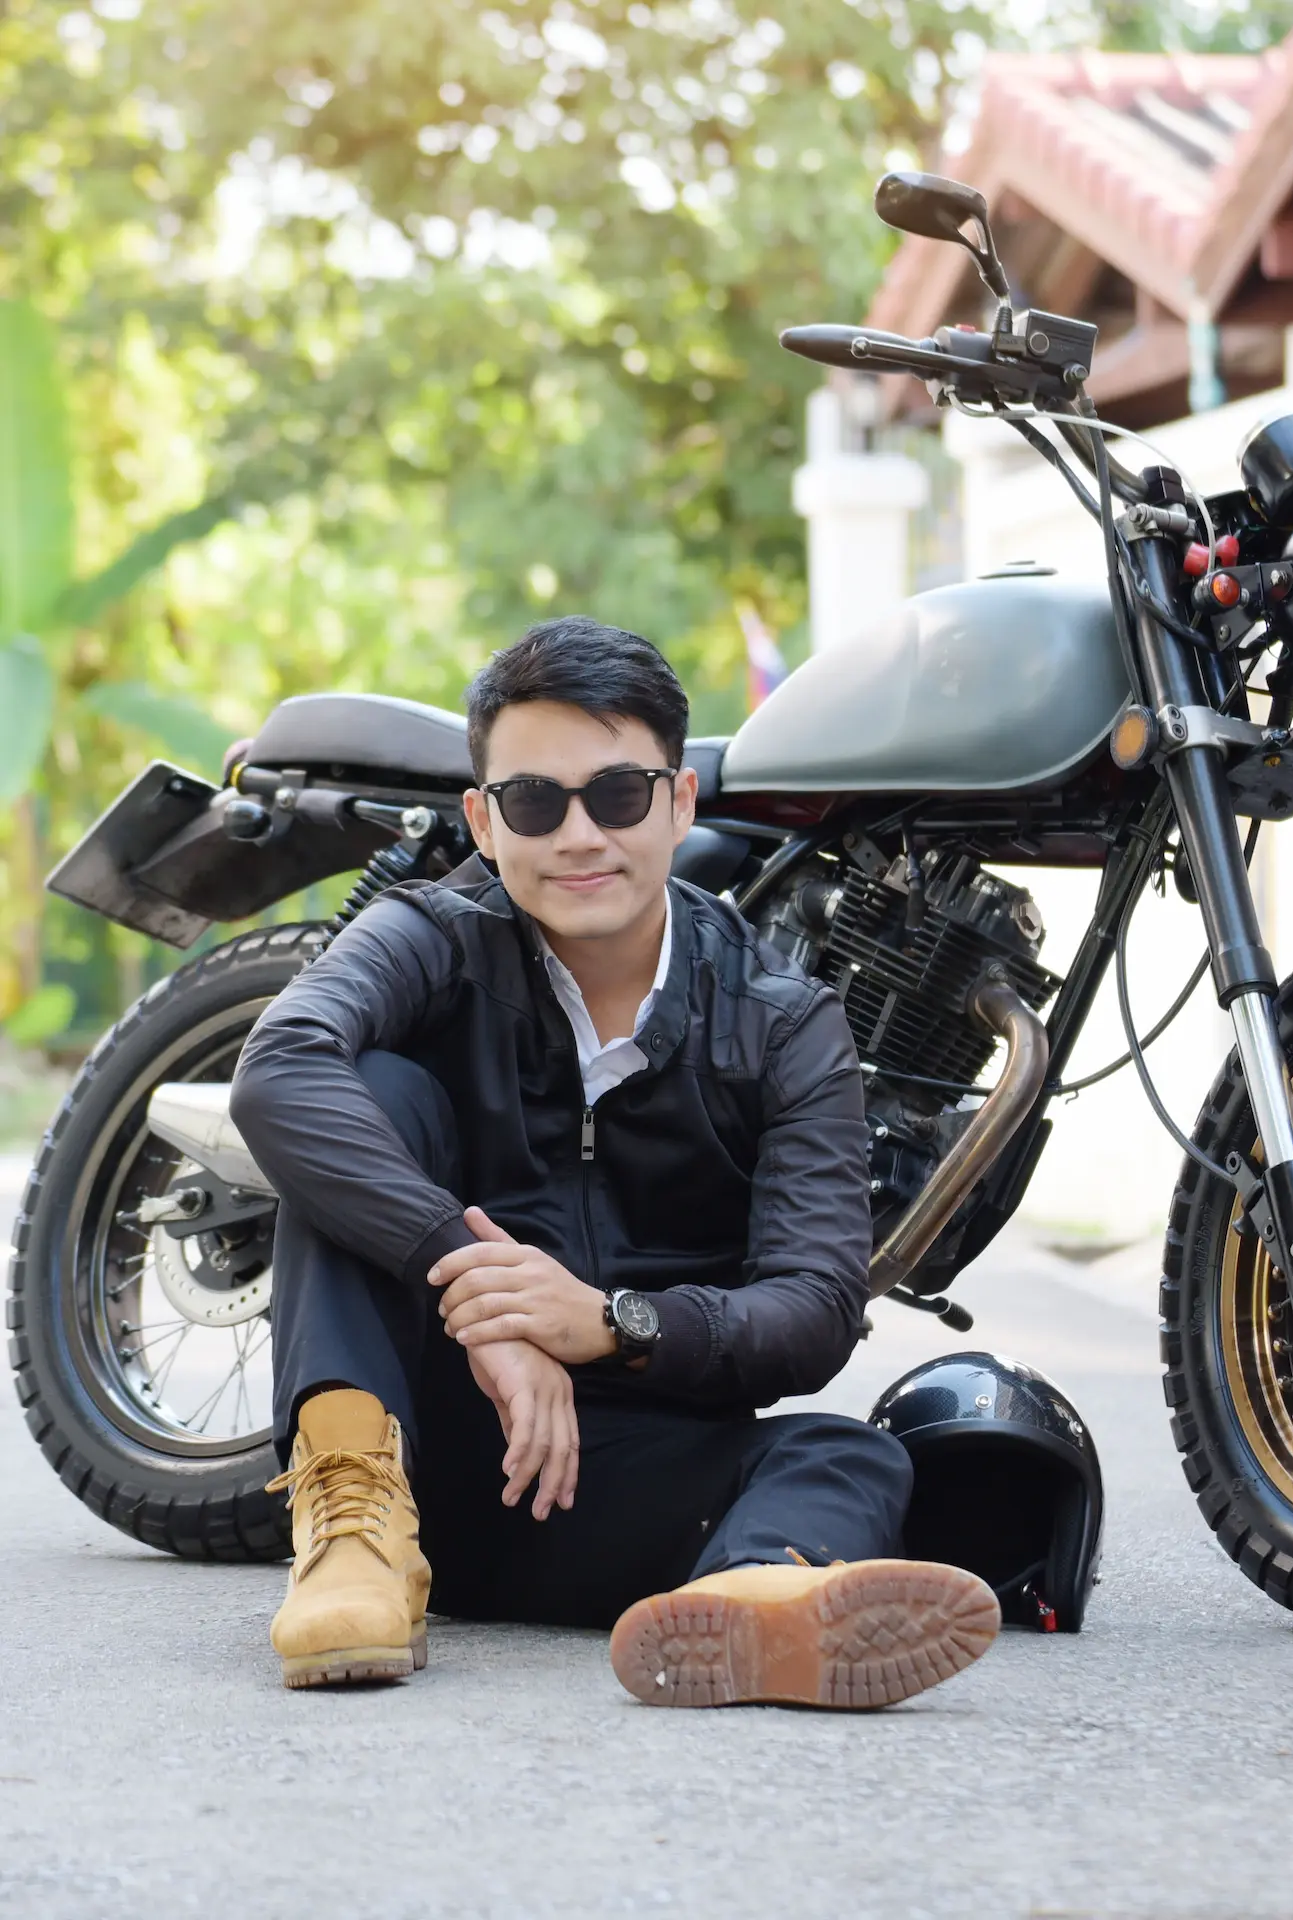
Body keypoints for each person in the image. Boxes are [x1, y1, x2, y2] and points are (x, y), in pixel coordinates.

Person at [229, 616, 998, 1706]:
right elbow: (280, 1067)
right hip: (422, 1461)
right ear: (484, 823)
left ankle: (749, 1603)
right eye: (536, 802)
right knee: (364, 1104)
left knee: (854, 1454)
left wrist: (608, 1323)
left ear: (679, 803)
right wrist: (480, 1293)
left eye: (619, 795)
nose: (580, 835)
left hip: (627, 1490)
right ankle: (351, 1545)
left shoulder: (782, 1024)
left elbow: (817, 1305)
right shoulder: (431, 934)